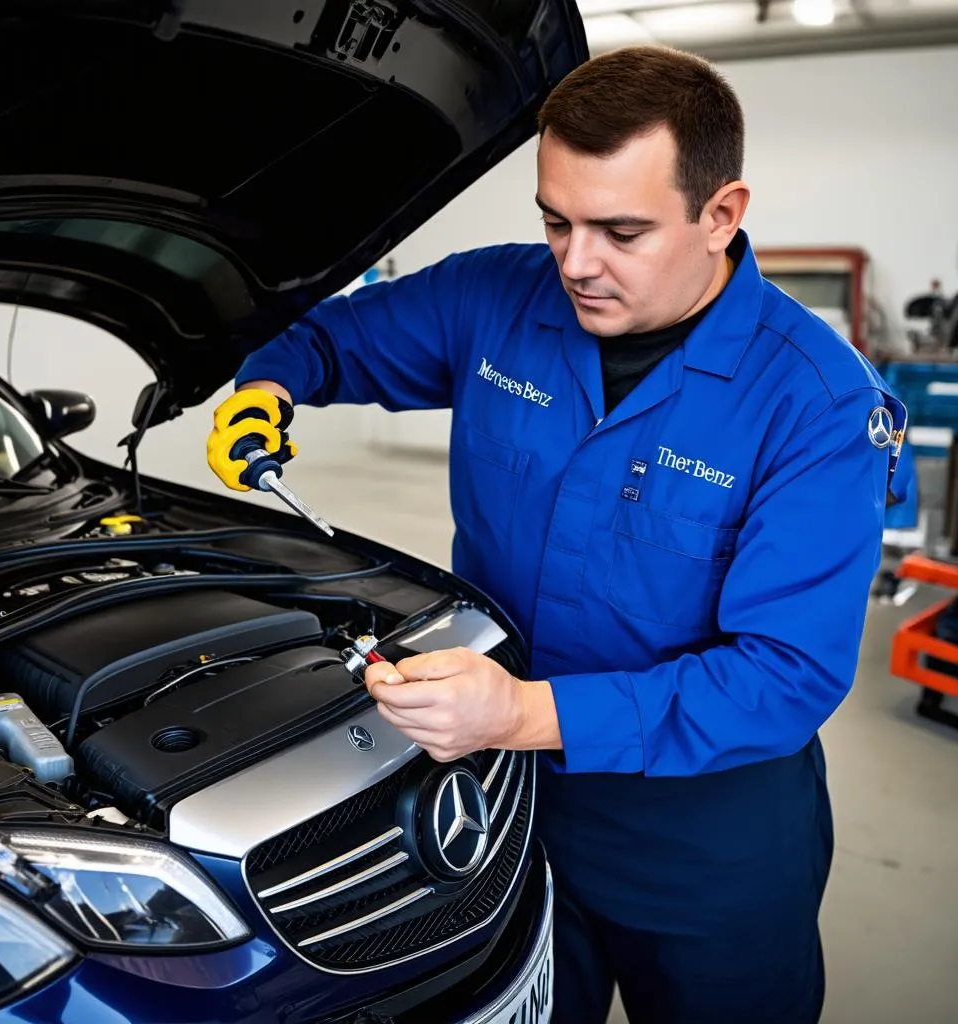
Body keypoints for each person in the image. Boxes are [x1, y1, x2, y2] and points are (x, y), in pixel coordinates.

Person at [207, 45, 910, 1024]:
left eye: (621, 231)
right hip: (509, 811)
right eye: (555, 219)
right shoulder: (493, 299)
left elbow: (783, 676)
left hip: (704, 840)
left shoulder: (817, 403)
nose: (575, 263)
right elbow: (321, 338)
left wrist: (522, 717)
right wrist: (268, 389)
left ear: (721, 213)